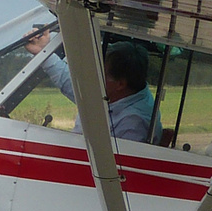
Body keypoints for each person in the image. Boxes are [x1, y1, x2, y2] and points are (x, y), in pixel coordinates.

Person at [26, 28, 159, 144]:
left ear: (120, 84)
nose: (91, 77)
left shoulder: (134, 124)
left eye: (99, 73)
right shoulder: (116, 94)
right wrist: (42, 52)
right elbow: (74, 86)